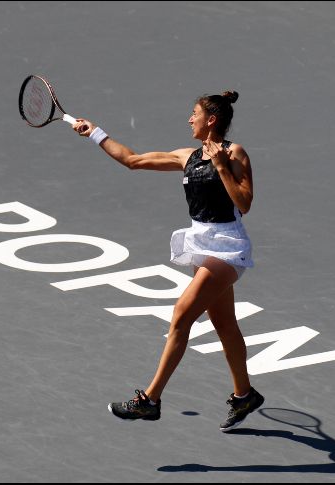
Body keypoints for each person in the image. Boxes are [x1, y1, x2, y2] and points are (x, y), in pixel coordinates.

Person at [72, 91, 264, 432]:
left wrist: (220, 166)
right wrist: (95, 132)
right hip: (202, 245)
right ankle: (244, 394)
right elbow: (133, 160)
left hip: (227, 247)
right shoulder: (186, 156)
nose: (189, 119)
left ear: (211, 120)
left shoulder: (235, 153)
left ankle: (150, 400)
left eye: (194, 114)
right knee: (225, 325)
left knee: (179, 317)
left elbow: (245, 203)